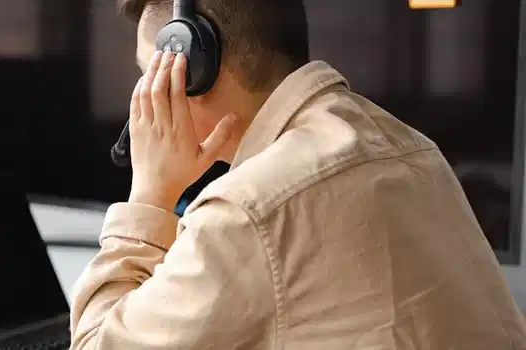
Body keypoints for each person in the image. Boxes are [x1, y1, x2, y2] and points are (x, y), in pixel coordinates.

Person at [69, 0, 526, 348]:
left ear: (193, 70)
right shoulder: (411, 149)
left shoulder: (250, 211)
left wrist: (150, 193)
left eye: (152, 77)